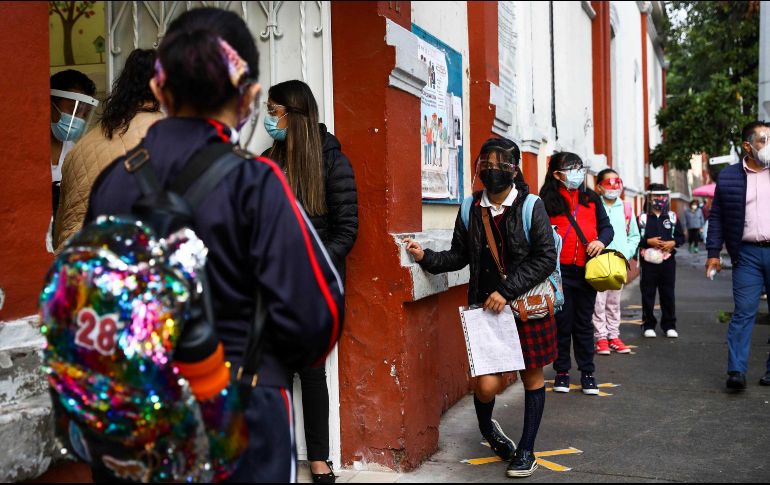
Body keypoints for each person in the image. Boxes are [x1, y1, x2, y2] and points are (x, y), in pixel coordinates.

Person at [84, 8, 344, 482]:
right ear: (246, 97)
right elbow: (315, 322)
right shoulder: (258, 181)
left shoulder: (111, 184)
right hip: (240, 416)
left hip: (137, 423)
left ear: (160, 91)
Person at [404, 138, 557, 478]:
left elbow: (546, 257)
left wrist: (507, 290)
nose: (493, 170)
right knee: (486, 385)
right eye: (486, 163)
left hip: (524, 307)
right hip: (486, 312)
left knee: (532, 377)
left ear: (514, 170)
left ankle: (527, 450)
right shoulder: (470, 208)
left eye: (501, 165)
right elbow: (460, 254)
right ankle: (489, 431)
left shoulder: (531, 206)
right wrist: (426, 256)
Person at [264, 79, 358, 483]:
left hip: (314, 287)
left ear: (294, 115)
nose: (269, 119)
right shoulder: (268, 160)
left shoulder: (332, 161)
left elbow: (346, 229)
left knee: (311, 371)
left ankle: (318, 459)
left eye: (274, 111)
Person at [53, 49, 163, 253]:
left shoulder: (83, 145)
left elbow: (60, 226)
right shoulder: (169, 136)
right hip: (125, 266)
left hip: (74, 265)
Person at [539, 153, 613, 395]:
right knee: (562, 324)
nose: (577, 172)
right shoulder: (546, 201)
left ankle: (588, 373)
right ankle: (561, 372)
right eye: (571, 168)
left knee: (583, 324)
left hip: (587, 270)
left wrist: (601, 242)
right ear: (557, 174)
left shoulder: (591, 198)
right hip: (558, 273)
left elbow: (607, 228)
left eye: (579, 167)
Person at [706, 121, 770, 390]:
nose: (768, 146)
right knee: (744, 312)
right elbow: (718, 216)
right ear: (747, 145)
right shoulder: (730, 177)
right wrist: (713, 254)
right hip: (746, 255)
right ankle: (736, 371)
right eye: (763, 141)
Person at [591, 169, 640, 356]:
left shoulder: (626, 208)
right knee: (598, 302)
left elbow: (634, 235)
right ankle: (601, 337)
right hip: (599, 262)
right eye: (609, 183)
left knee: (614, 302)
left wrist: (626, 252)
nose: (614, 187)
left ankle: (614, 336)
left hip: (619, 263)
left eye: (617, 182)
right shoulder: (594, 207)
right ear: (599, 187)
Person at [49, 69, 98, 241]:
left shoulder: (74, 153)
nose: (79, 119)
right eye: (74, 110)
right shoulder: (27, 150)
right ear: (50, 105)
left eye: (84, 114)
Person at [638, 183, 685, 339]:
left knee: (668, 294)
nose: (659, 199)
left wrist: (673, 243)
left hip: (668, 263)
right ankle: (648, 325)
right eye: (656, 196)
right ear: (649, 198)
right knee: (648, 294)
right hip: (648, 262)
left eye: (662, 195)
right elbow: (635, 239)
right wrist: (647, 241)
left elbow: (680, 237)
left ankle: (669, 325)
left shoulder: (671, 217)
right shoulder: (643, 218)